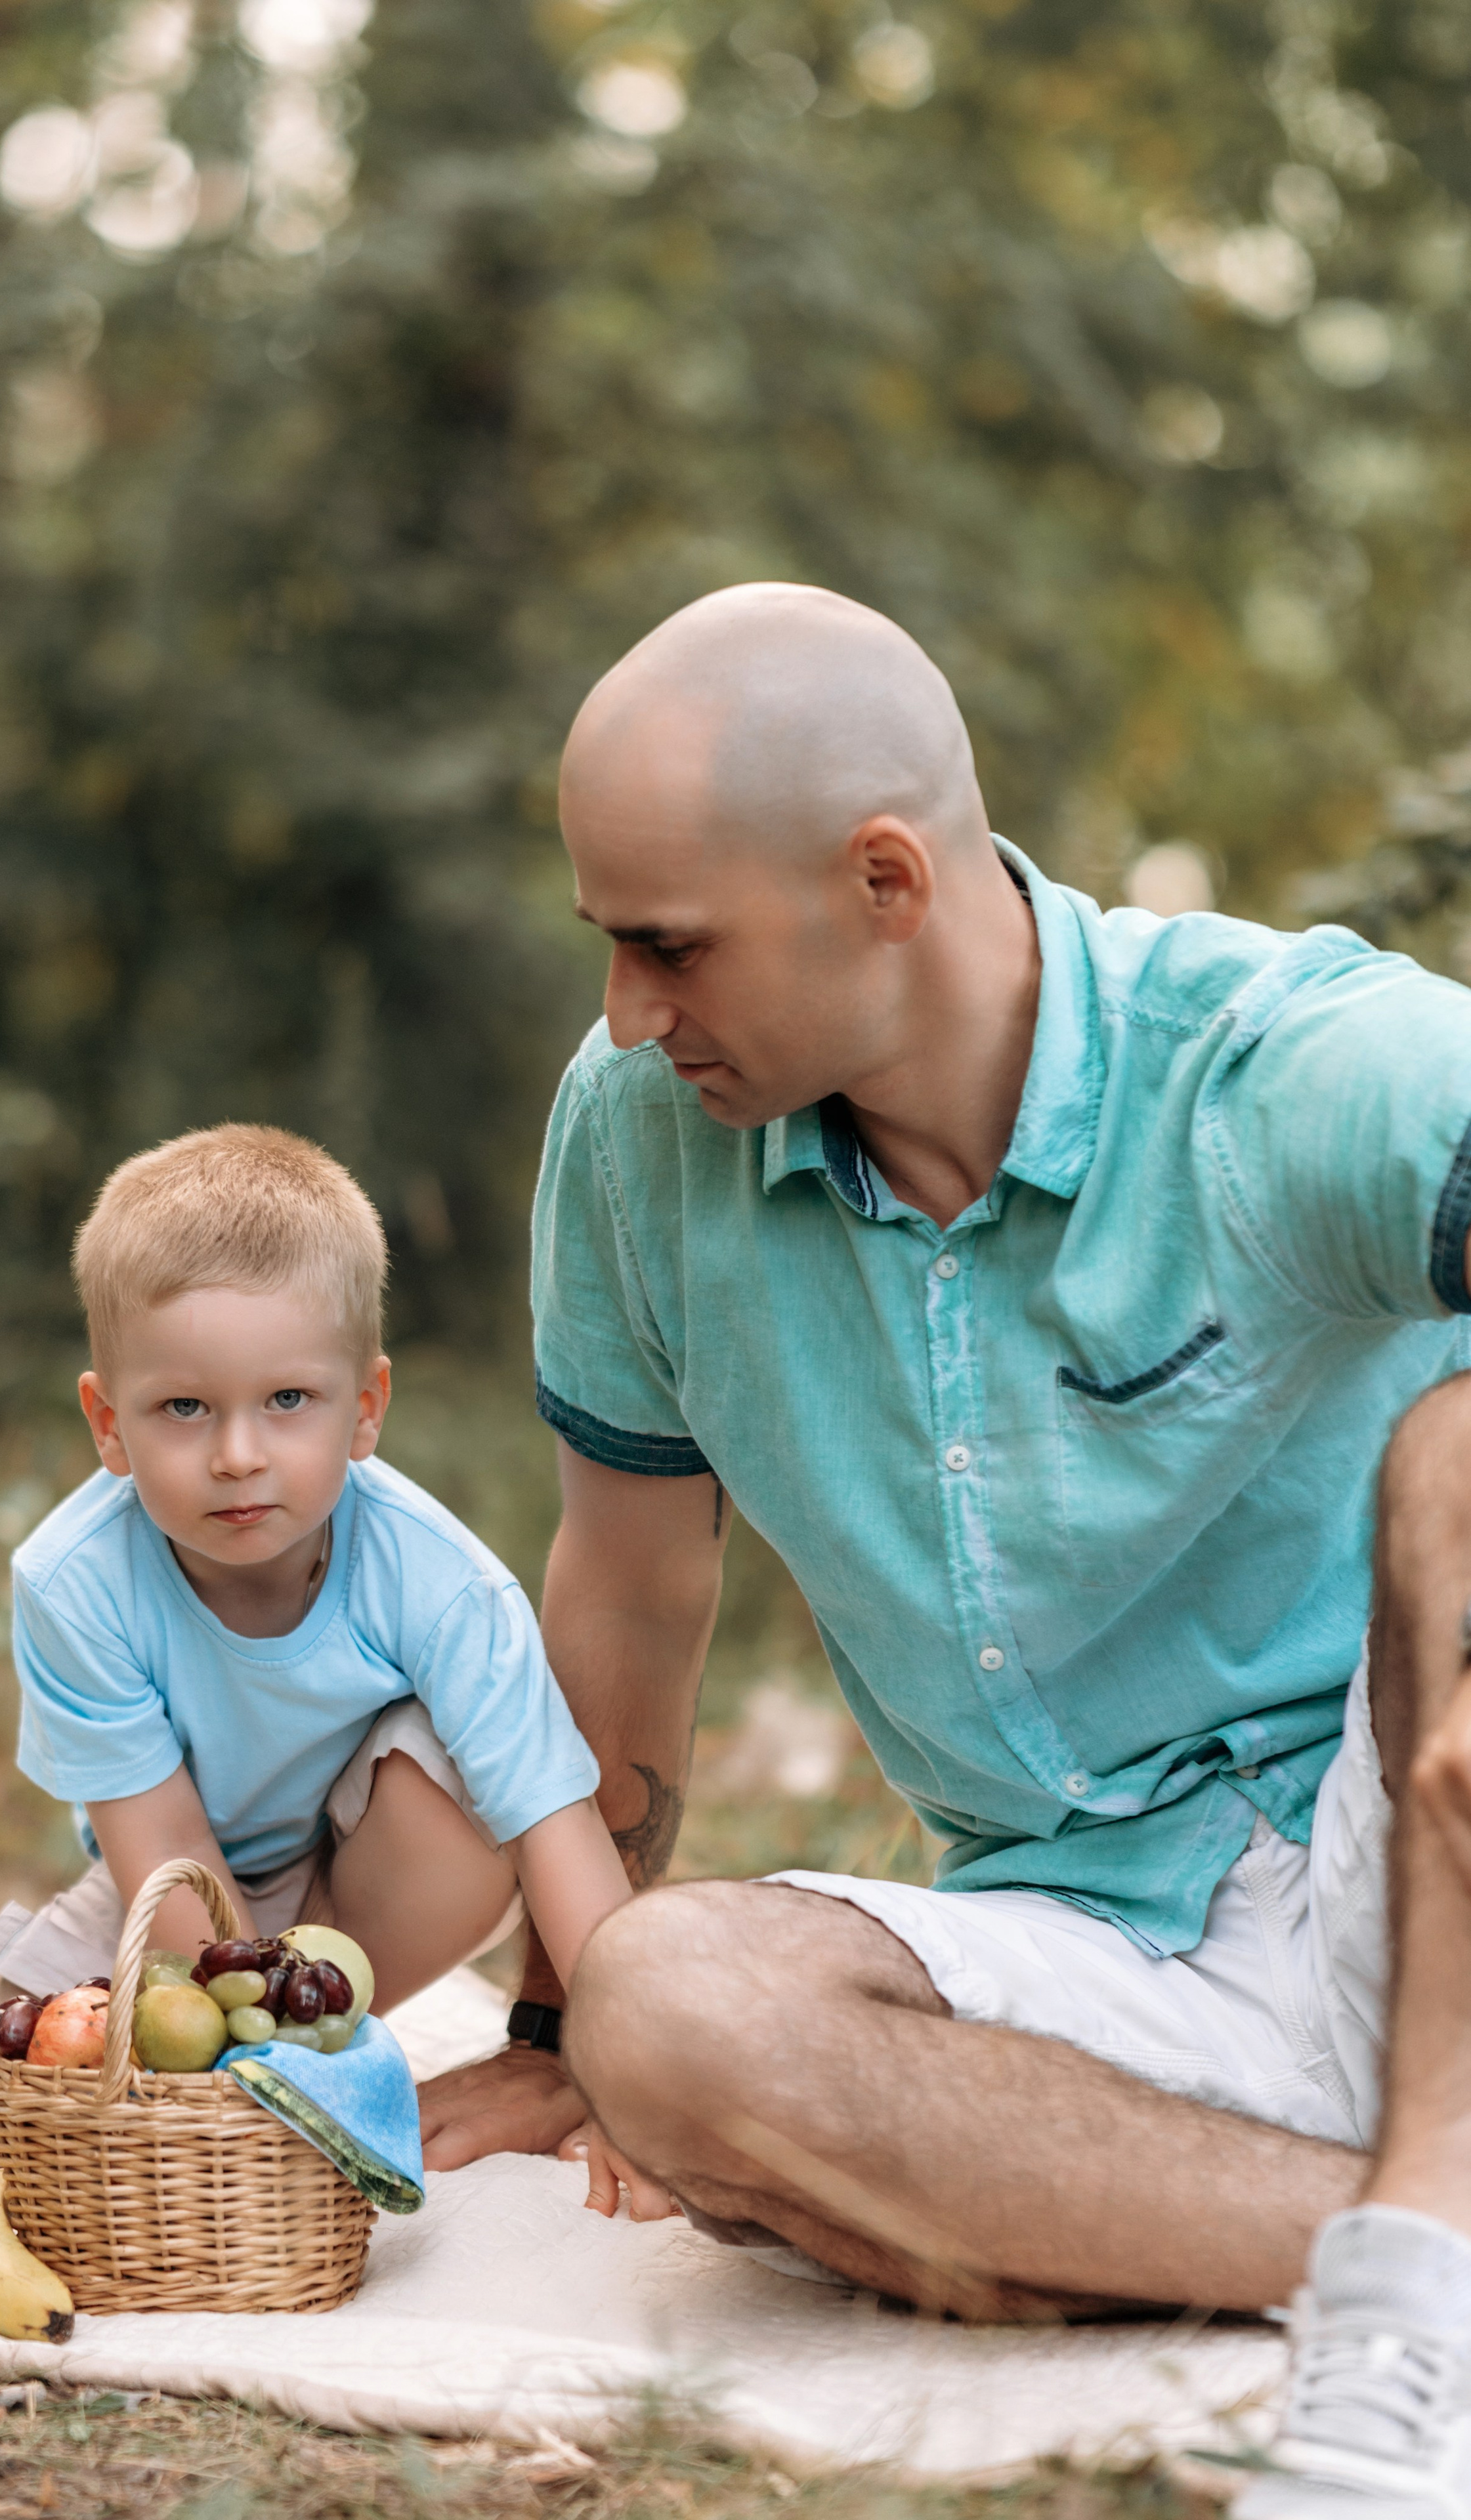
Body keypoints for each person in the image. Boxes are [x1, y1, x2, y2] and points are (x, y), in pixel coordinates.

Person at [418, 581, 1471, 2518]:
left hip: (1415, 1859)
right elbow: (631, 1588)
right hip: (1087, 1957)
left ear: (884, 879)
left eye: (670, 947)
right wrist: (559, 2027)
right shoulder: (635, 1141)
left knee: (1457, 1451)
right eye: (609, 947)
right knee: (669, 2007)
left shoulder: (1267, 1067)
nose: (630, 1013)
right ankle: (1406, 2243)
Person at [0, 1124, 628, 2078]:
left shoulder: (445, 1585)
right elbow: (164, 1844)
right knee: (76, 2026)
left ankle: (298, 2028)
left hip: (363, 1859)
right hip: (173, 1869)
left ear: (366, 1408)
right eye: (184, 1408)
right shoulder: (75, 1582)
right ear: (109, 1425)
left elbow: (554, 1821)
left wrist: (620, 2067)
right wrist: (219, 2011)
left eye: (289, 1400)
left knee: (477, 1785)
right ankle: (21, 1990)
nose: (238, 1456)